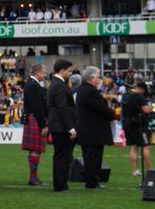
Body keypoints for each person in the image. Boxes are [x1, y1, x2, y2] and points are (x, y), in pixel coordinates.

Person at [73, 66, 112, 189]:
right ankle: (92, 182)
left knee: (91, 157)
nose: (100, 79)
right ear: (91, 78)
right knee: (93, 157)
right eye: (98, 77)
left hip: (89, 130)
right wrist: (111, 113)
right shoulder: (89, 91)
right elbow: (102, 108)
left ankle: (92, 181)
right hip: (92, 131)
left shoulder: (84, 89)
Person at [47, 59, 77, 193]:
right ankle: (60, 185)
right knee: (62, 157)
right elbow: (62, 108)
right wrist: (70, 127)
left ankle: (60, 184)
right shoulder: (59, 85)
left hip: (58, 126)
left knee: (60, 156)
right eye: (69, 71)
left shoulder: (56, 83)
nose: (70, 74)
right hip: (61, 127)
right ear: (62, 71)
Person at [21, 62, 49, 186]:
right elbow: (37, 107)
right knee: (35, 149)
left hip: (34, 118)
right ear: (38, 73)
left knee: (34, 149)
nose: (45, 74)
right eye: (43, 72)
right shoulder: (33, 85)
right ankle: (33, 178)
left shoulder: (32, 84)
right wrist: (43, 125)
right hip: (36, 119)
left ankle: (33, 177)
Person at [121, 83, 153, 176]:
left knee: (133, 146)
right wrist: (150, 107)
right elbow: (146, 110)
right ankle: (150, 169)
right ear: (142, 90)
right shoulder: (139, 96)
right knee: (146, 146)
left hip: (127, 123)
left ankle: (135, 170)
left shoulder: (126, 96)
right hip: (138, 125)